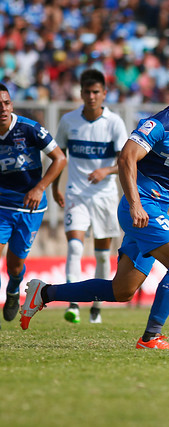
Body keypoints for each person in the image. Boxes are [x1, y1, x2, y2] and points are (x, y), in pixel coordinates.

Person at [21, 64, 169, 349]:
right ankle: (151, 336)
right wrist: (135, 204)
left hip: (152, 211)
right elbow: (126, 159)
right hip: (142, 208)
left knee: (121, 291)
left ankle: (44, 293)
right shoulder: (158, 125)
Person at [52, 69, 129, 325]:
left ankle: (96, 307)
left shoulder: (114, 123)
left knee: (102, 255)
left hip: (105, 196)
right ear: (81, 93)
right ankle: (73, 303)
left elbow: (125, 162)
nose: (91, 96)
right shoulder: (68, 121)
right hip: (76, 194)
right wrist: (54, 188)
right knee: (74, 246)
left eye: (96, 92)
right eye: (87, 92)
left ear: (104, 94)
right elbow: (58, 157)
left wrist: (106, 170)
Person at [0, 83, 67, 329]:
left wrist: (39, 188)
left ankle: (14, 289)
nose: (3, 109)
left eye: (6, 103)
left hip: (30, 208)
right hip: (2, 206)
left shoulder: (29, 129)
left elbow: (60, 158)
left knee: (15, 264)